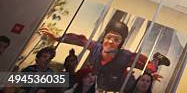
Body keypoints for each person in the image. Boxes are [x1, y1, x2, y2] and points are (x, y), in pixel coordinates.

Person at [38, 20, 169, 92]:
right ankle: (24, 81)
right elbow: (77, 39)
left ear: (120, 43)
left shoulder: (125, 56)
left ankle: (157, 58)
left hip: (116, 84)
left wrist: (151, 71)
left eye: (116, 40)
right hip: (94, 84)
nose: (111, 42)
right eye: (109, 37)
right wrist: (56, 38)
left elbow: (144, 63)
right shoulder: (95, 47)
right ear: (104, 37)